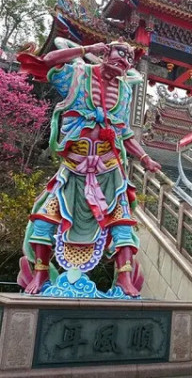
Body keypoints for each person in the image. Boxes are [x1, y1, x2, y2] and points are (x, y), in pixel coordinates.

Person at [17, 41, 161, 297]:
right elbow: (50, 60)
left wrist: (146, 157)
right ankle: (40, 273)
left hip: (108, 171)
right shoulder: (78, 75)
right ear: (105, 52)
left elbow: (124, 133)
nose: (126, 60)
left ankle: (124, 280)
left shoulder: (124, 92)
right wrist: (85, 49)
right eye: (121, 53)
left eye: (130, 57)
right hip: (74, 170)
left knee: (123, 224)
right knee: (44, 220)